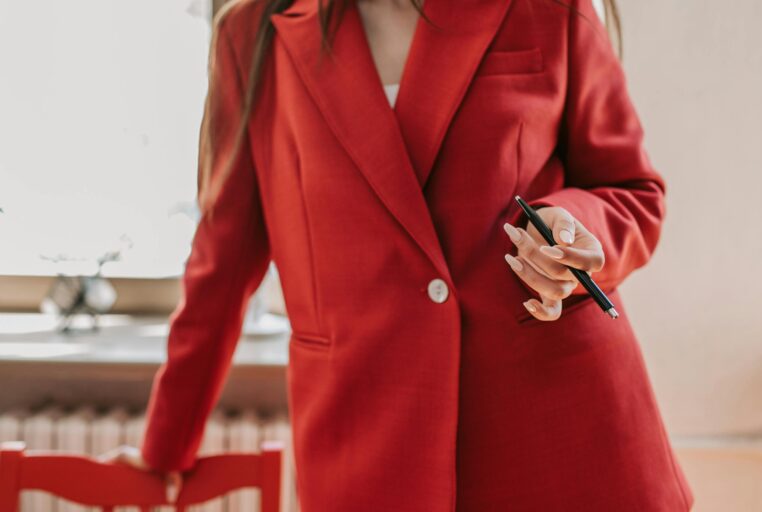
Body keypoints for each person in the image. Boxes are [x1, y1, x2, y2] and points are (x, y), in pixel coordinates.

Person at [103, 0, 695, 510]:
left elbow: (631, 190)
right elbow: (222, 261)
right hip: (367, 444)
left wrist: (576, 230)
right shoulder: (255, 31)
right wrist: (165, 447)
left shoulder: (547, 5)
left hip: (560, 434)